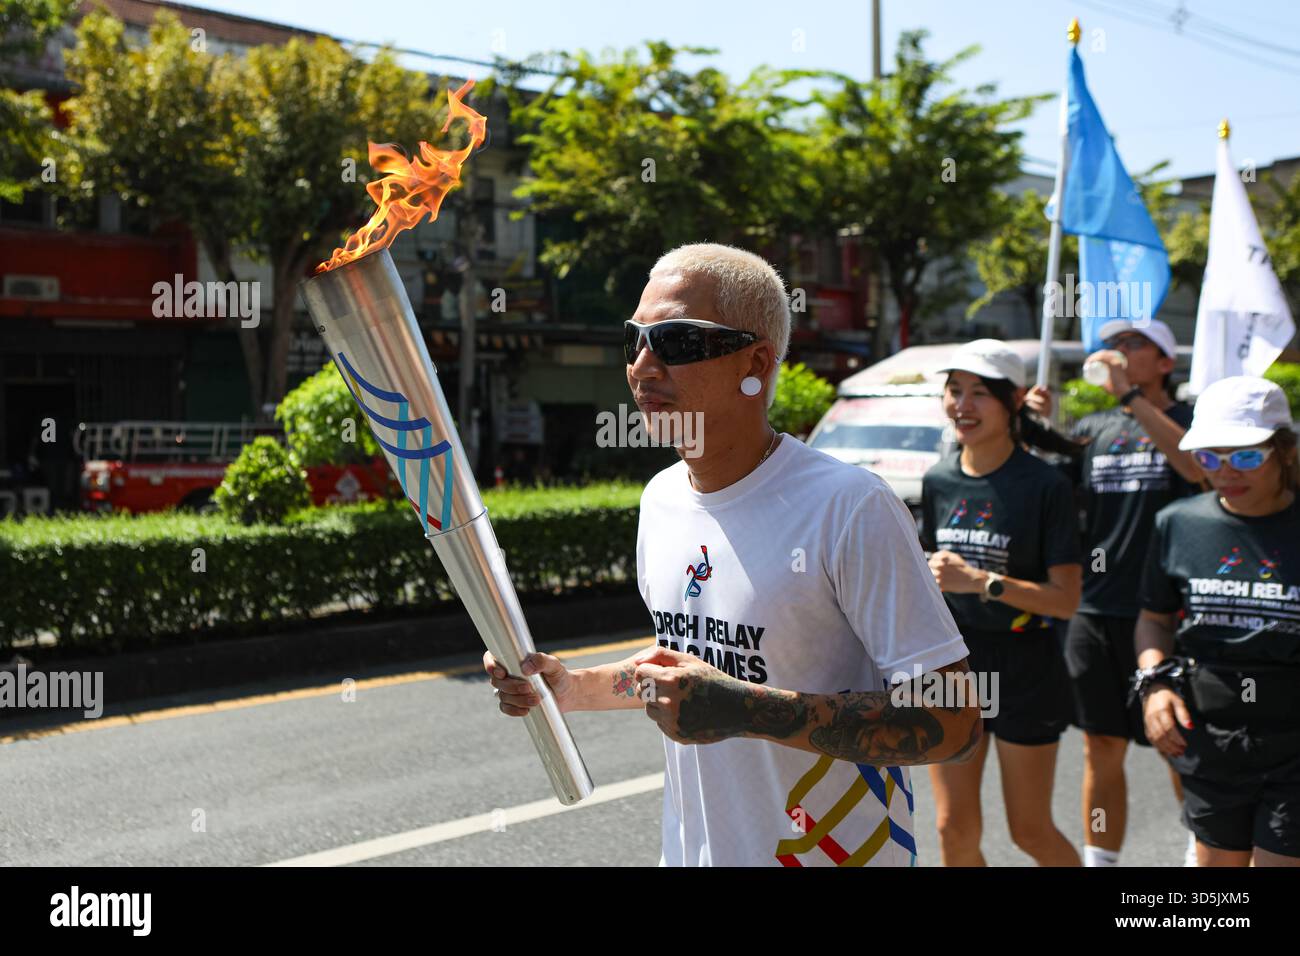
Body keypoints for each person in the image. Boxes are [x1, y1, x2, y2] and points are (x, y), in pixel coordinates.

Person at [484, 243, 981, 866]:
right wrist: (570, 688)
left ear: (757, 361)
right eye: (635, 338)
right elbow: (691, 669)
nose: (643, 364)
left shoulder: (850, 506)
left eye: (678, 341)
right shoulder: (662, 498)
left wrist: (746, 708)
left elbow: (956, 721)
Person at [1029, 318, 1204, 866]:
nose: (1119, 353)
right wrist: (1030, 423)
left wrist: (1130, 395)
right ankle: (1102, 863)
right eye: (1114, 346)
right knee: (1100, 746)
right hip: (1096, 610)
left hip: (1167, 614)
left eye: (1134, 346)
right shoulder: (1097, 426)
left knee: (1182, 749)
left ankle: (1202, 861)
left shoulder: (1191, 424)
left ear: (1165, 363)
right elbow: (1054, 478)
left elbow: (1197, 468)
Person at [920, 340, 1083, 866]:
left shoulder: (1045, 485)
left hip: (1026, 665)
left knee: (1030, 832)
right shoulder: (938, 478)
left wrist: (982, 582)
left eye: (979, 394)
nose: (962, 406)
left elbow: (1065, 601)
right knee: (952, 828)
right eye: (954, 391)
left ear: (1014, 401)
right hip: (952, 665)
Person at [1136, 375, 1300, 867]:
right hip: (1210, 739)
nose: (1226, 471)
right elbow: (1153, 618)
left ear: (1284, 452)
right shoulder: (1179, 522)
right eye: (1210, 457)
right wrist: (1153, 683)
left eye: (1246, 455)